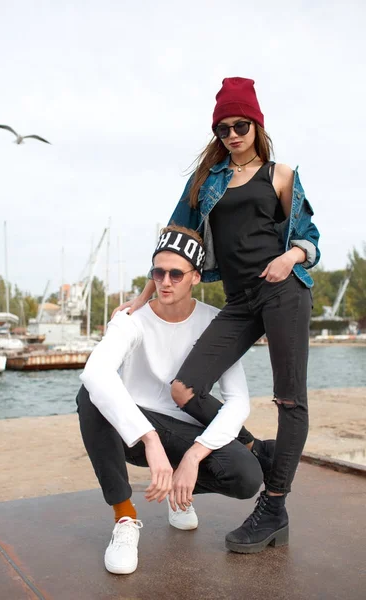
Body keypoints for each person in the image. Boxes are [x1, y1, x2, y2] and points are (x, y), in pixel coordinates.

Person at [116, 78, 320, 554]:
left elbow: (309, 237)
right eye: (223, 127)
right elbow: (175, 235)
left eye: (241, 125)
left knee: (290, 401)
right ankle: (254, 450)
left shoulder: (281, 175)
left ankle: (274, 506)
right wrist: (145, 294)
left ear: (257, 124)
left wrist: (289, 258)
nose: (232, 134)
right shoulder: (206, 182)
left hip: (283, 291)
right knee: (185, 387)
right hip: (239, 299)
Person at [77, 225, 274, 575]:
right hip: (134, 434)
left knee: (246, 476)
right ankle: (124, 519)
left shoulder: (215, 321)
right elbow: (95, 372)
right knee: (90, 395)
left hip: (187, 433)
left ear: (195, 277)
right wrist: (149, 439)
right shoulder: (131, 320)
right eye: (158, 272)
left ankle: (179, 492)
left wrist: (195, 456)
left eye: (176, 273)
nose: (165, 281)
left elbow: (238, 400)